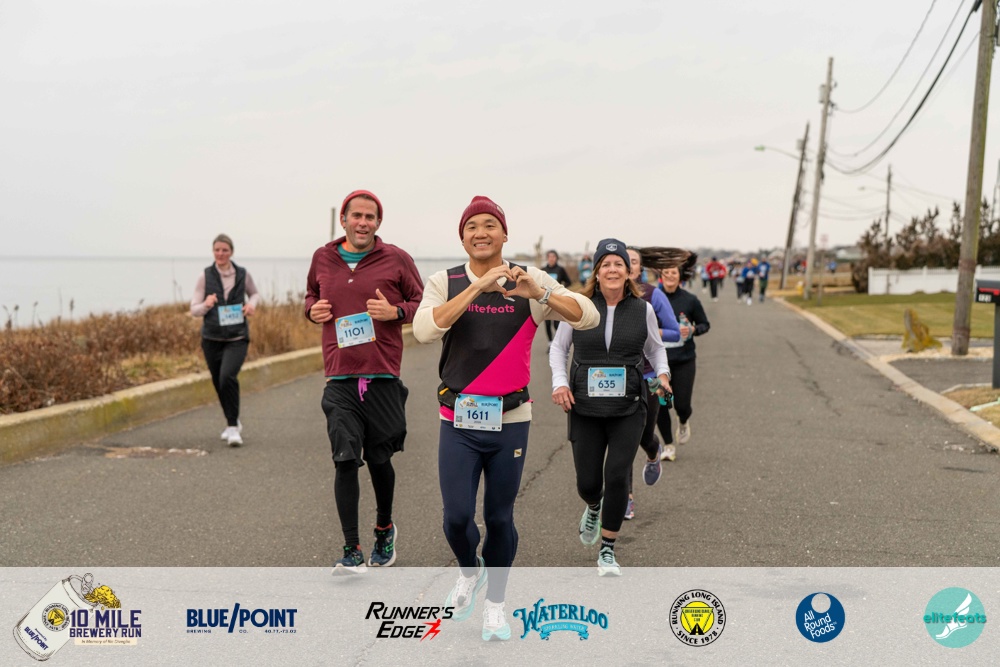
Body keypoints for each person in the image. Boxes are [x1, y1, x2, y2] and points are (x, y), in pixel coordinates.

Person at [414, 196, 598, 641]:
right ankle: (468, 570)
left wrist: (541, 293)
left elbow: (588, 317)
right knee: (456, 518)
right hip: (458, 419)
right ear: (462, 238)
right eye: (472, 226)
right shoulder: (444, 281)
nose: (481, 232)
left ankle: (495, 604)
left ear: (504, 233)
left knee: (499, 518)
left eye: (490, 224)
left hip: (511, 420)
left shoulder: (528, 278)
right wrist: (477, 288)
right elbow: (423, 331)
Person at [304, 190, 424, 575]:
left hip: (382, 374)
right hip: (340, 375)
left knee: (379, 459)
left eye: (370, 217)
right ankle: (351, 549)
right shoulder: (322, 257)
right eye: (356, 215)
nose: (362, 222)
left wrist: (396, 311)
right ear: (343, 219)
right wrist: (311, 310)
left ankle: (384, 529)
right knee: (344, 459)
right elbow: (310, 296)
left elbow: (423, 304)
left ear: (378, 223)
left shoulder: (397, 259)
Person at [549, 238, 671, 577]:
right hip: (585, 407)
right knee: (588, 483)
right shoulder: (579, 305)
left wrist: (663, 374)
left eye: (619, 264)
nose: (613, 269)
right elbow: (558, 348)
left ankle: (607, 549)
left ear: (629, 271)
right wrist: (560, 382)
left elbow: (656, 348)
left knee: (617, 475)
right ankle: (593, 505)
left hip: (629, 406)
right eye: (606, 264)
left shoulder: (643, 309)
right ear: (597, 271)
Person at [623, 247, 682, 521]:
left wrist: (651, 330)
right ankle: (625, 498)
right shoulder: (604, 296)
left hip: (648, 378)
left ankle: (653, 452)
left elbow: (674, 332)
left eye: (633, 261)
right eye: (622, 260)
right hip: (616, 379)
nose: (627, 265)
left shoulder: (652, 295)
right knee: (622, 440)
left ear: (639, 268)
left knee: (643, 437)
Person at [190, 234, 261, 447]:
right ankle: (233, 420)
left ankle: (232, 428)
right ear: (213, 252)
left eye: (224, 250)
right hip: (211, 338)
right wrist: (206, 304)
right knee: (218, 382)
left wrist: (251, 305)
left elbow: (255, 294)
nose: (220, 254)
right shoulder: (205, 276)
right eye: (217, 250)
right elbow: (194, 309)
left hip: (237, 336)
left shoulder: (242, 274)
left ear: (231, 252)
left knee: (227, 376)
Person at [657, 265, 710, 460]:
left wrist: (693, 330)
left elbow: (705, 324)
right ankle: (668, 445)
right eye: (666, 272)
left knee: (682, 404)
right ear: (661, 276)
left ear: (680, 276)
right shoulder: (652, 300)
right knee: (661, 405)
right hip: (657, 363)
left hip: (684, 360)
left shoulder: (690, 300)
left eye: (674, 272)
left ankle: (683, 420)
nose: (670, 275)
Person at [541, 250, 572, 342]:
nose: (551, 259)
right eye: (549, 257)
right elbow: (538, 283)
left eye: (553, 257)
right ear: (547, 258)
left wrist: (560, 289)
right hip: (545, 299)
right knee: (547, 324)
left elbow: (568, 282)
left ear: (556, 258)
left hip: (557, 299)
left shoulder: (560, 269)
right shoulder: (543, 270)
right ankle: (550, 343)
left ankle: (557, 342)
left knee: (556, 324)